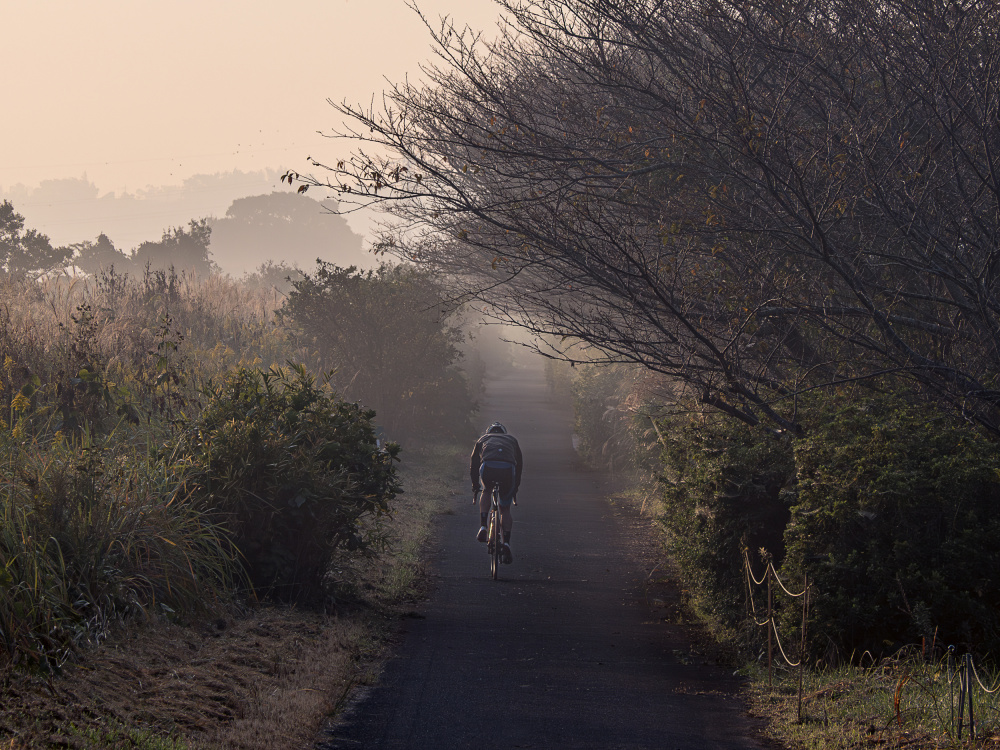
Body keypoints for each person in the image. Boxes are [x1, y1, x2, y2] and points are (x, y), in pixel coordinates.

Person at [470, 421, 523, 564]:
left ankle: (483, 526)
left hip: (488, 466)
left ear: (489, 432)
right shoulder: (511, 440)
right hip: (508, 469)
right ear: (503, 432)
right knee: (504, 508)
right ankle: (506, 543)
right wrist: (514, 488)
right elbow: (519, 466)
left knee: (486, 490)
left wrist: (476, 486)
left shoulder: (483, 439)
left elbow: (474, 464)